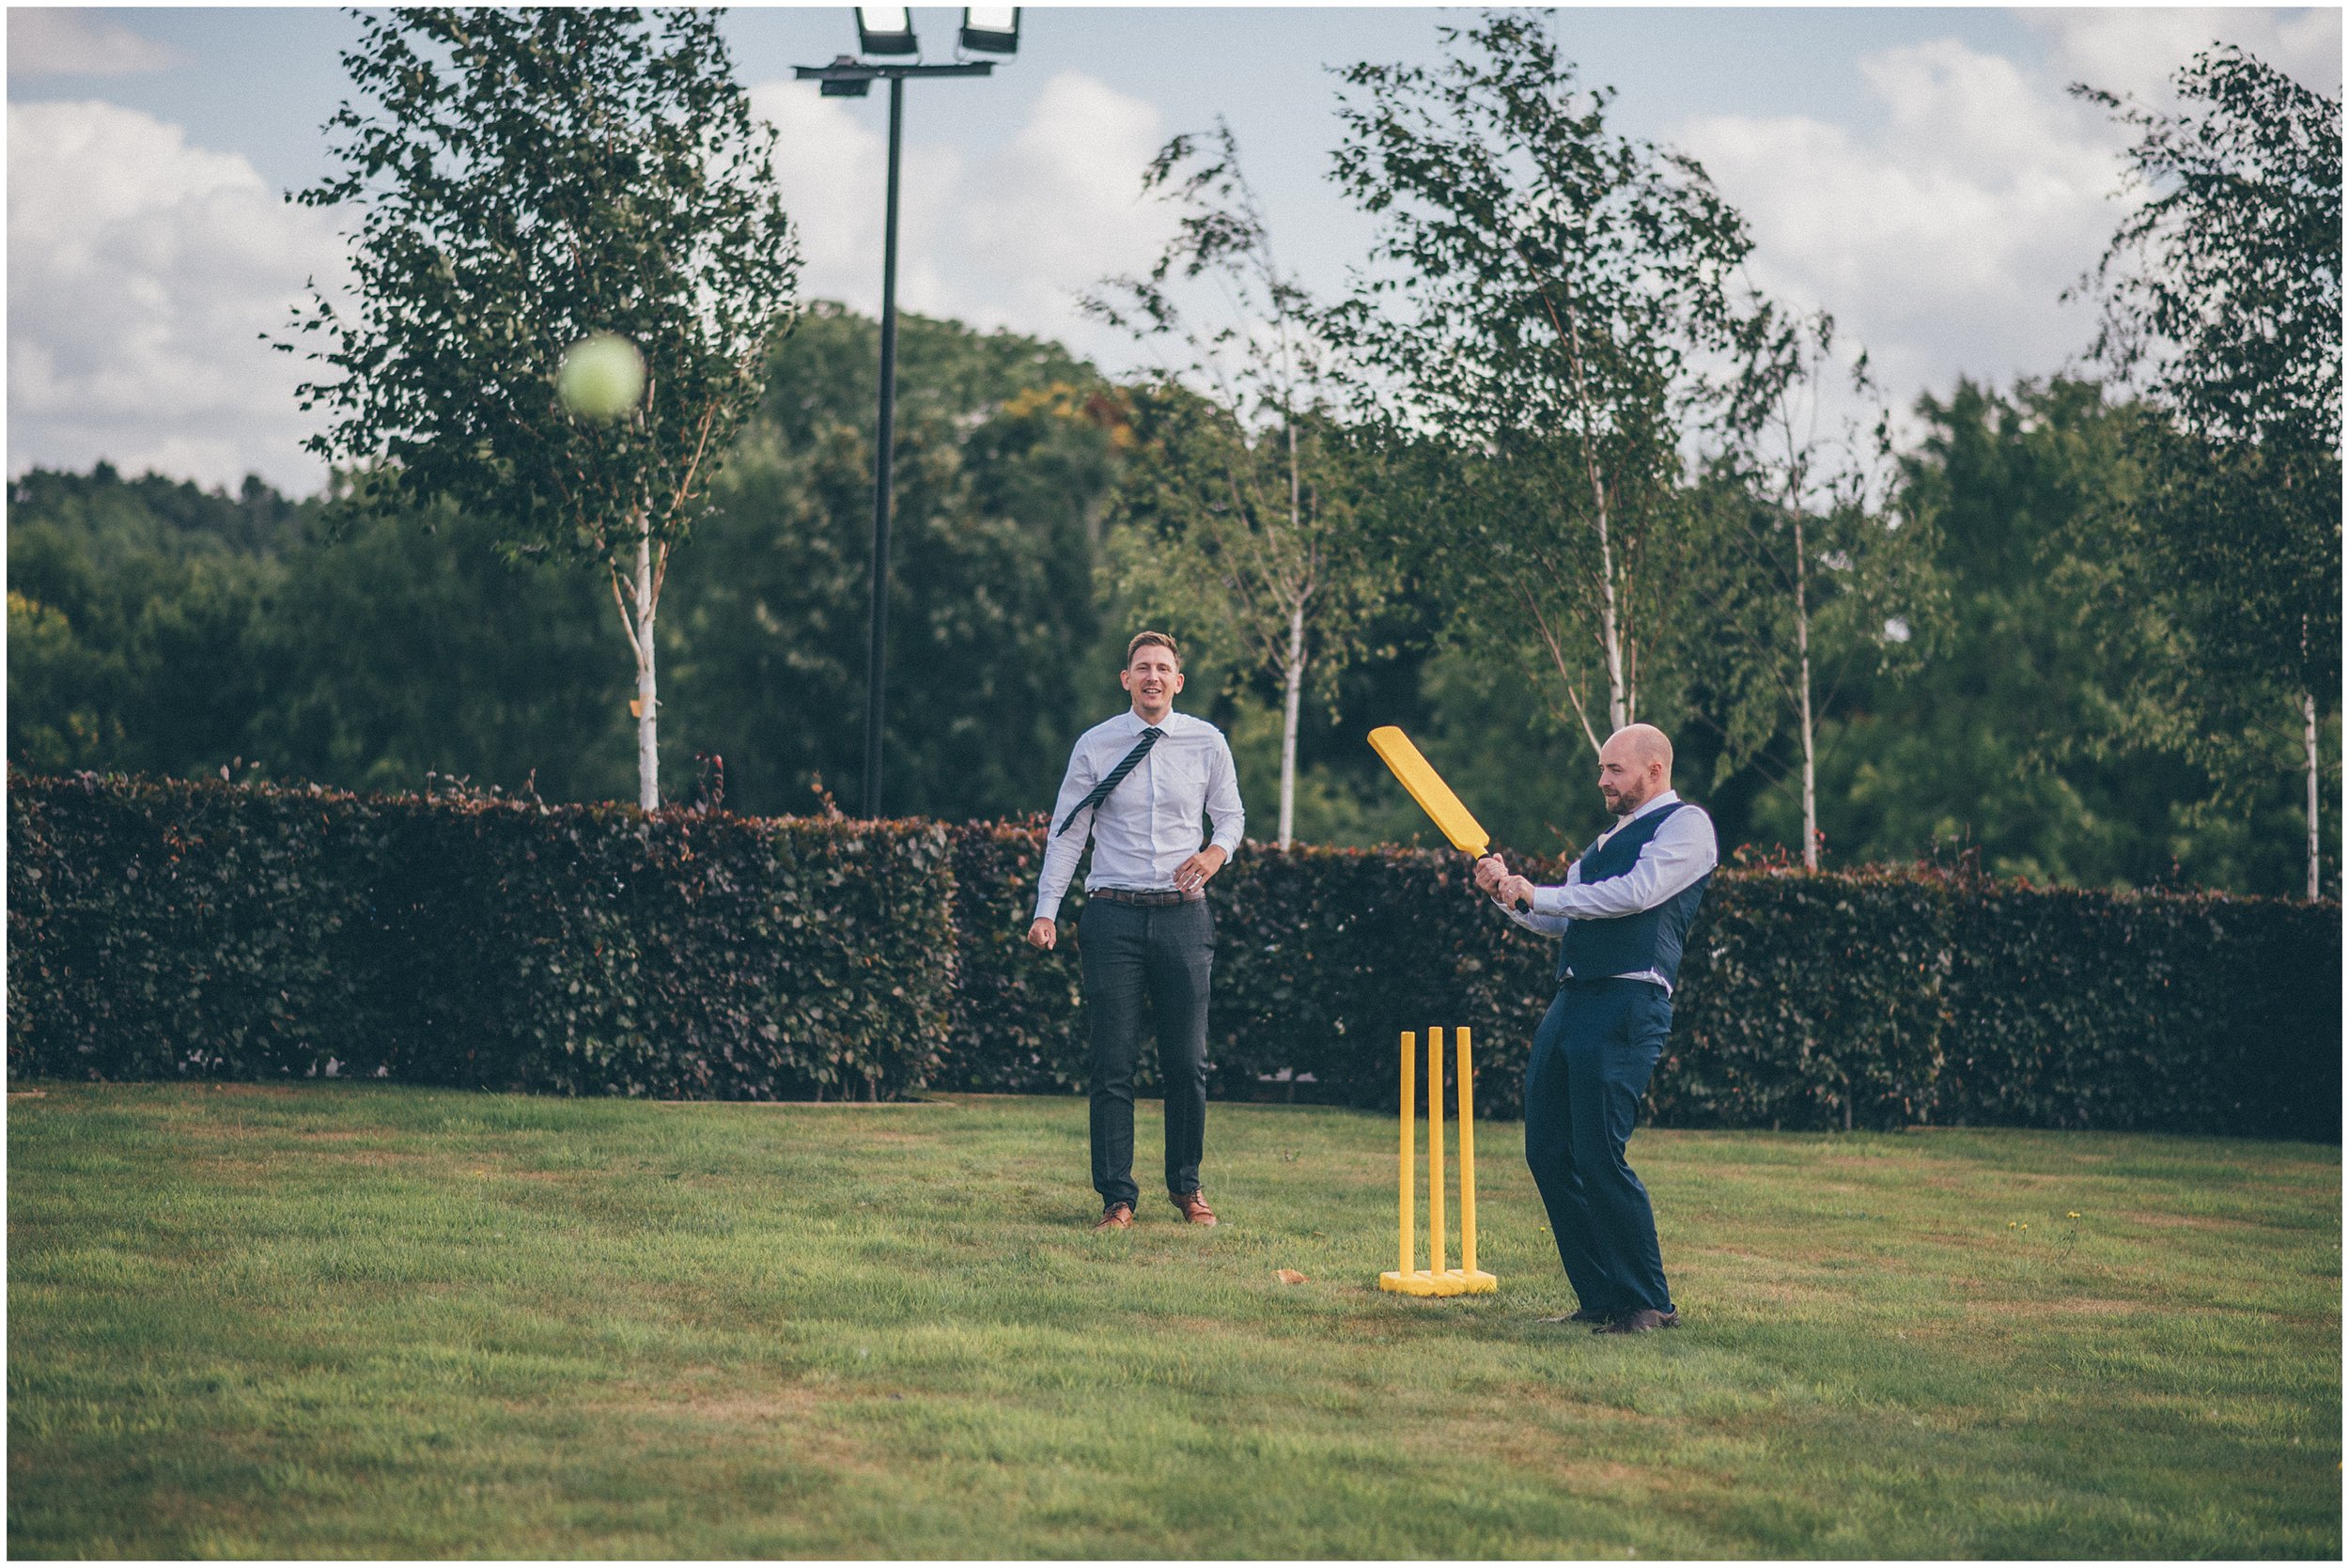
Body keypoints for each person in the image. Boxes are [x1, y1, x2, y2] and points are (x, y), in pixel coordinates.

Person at [1474, 722, 1717, 1333]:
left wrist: (1542, 892)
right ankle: (1601, 1296)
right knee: (1548, 1151)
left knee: (1600, 1154)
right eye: (1602, 769)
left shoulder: (1687, 826)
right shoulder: (1605, 841)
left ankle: (1649, 1302)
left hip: (1629, 1001)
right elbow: (1561, 920)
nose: (1602, 779)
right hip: (1573, 999)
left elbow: (1637, 894)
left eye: (1614, 769)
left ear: (1655, 769)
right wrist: (1509, 894)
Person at [1028, 631, 1244, 1232]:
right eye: (1142, 668)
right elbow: (1068, 831)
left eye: (1163, 669)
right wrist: (1047, 911)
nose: (1152, 677)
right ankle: (1117, 1198)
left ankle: (1187, 1188)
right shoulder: (1096, 746)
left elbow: (1231, 816)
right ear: (1126, 679)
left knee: (1187, 1063)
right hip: (1112, 917)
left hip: (1183, 916)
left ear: (1179, 681)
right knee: (1113, 1063)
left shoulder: (1207, 743)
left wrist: (1212, 856)